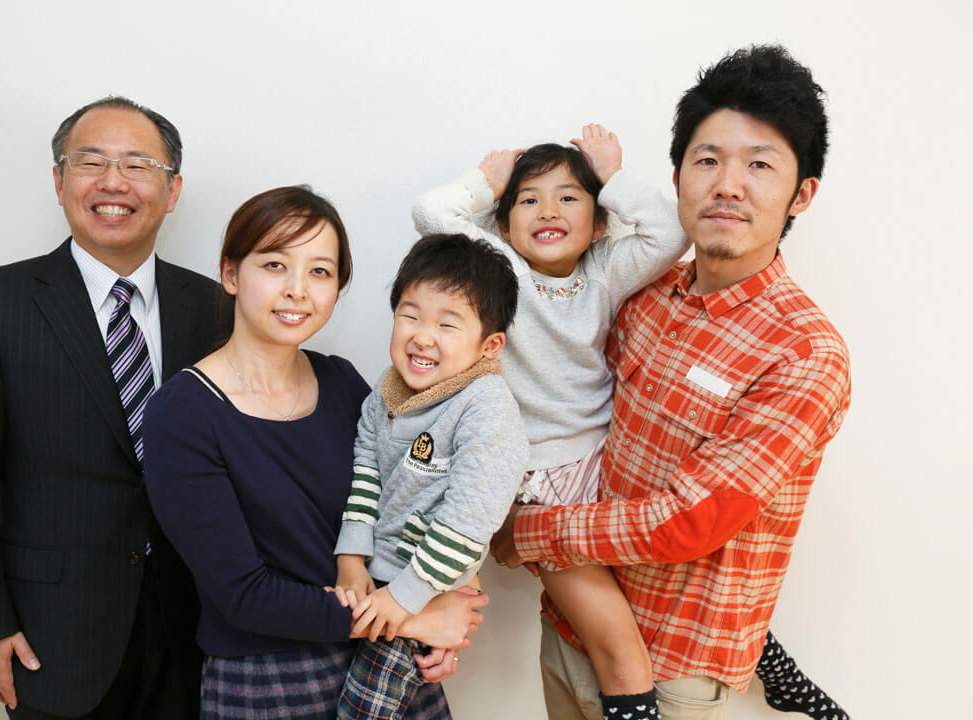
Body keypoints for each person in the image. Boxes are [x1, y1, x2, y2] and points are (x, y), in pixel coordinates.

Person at [491, 45, 852, 720]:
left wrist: (529, 531)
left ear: (801, 193)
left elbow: (691, 519)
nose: (728, 185)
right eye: (707, 160)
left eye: (760, 165)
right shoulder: (643, 295)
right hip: (569, 630)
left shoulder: (803, 354)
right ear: (679, 176)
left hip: (671, 671)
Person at [0, 96, 228, 719]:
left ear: (172, 190)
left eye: (137, 165)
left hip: (193, 627)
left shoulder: (216, 308)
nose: (113, 182)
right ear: (60, 182)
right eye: (91, 162)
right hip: (51, 633)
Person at [142, 188, 489, 720]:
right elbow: (243, 596)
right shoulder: (182, 413)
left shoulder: (344, 383)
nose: (298, 290)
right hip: (269, 677)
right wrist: (413, 618)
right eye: (275, 265)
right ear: (230, 274)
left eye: (320, 271)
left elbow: (411, 501)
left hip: (385, 658)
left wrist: (445, 601)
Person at [413, 126, 689, 719]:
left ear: (599, 221)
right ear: (502, 223)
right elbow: (432, 213)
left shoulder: (605, 270)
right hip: (542, 482)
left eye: (569, 197)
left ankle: (766, 652)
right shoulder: (500, 272)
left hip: (609, 465)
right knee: (620, 650)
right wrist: (485, 183)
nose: (548, 211)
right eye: (528, 199)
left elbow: (672, 232)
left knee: (669, 592)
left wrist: (612, 177)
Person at [332, 234, 530, 719]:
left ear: (489, 346)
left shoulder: (486, 407)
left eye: (447, 324)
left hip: (425, 589)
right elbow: (365, 476)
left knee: (362, 710)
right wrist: (351, 560)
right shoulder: (383, 394)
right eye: (410, 315)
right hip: (378, 579)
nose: (423, 336)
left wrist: (405, 601)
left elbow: (468, 522)